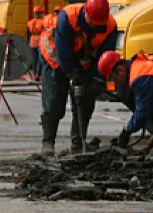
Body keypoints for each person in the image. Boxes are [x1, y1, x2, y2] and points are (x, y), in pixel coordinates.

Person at [39, 0, 117, 156]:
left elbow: (104, 57)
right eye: (92, 21)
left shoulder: (110, 26)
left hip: (83, 61)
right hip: (55, 59)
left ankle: (78, 142)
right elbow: (63, 50)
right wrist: (73, 74)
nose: (95, 25)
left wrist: (95, 78)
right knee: (54, 100)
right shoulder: (68, 16)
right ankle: (48, 142)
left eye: (98, 22)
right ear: (85, 12)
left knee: (86, 100)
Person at [26, 6, 45, 78]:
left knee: (34, 59)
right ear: (40, 13)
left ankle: (34, 73)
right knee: (40, 59)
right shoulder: (43, 22)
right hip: (40, 42)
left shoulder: (30, 22)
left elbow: (28, 34)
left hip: (32, 42)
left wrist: (28, 43)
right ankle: (39, 74)